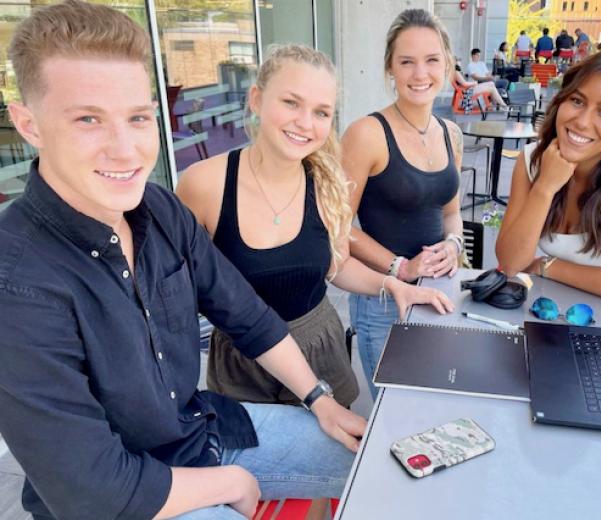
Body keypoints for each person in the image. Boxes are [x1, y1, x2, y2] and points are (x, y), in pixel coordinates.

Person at [0, 2, 366, 519]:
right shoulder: (16, 282)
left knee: (377, 460)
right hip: (128, 496)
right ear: (29, 124)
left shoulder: (160, 209)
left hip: (200, 432)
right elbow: (93, 491)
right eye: (88, 119)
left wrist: (320, 400)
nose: (126, 150)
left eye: (138, 118)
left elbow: (247, 315)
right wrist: (228, 482)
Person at [176, 44, 452, 409]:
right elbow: (176, 290)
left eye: (321, 112)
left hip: (318, 349)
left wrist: (390, 284)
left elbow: (336, 265)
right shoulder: (203, 185)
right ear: (256, 99)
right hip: (243, 365)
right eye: (291, 103)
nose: (305, 123)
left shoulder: (324, 182)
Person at [341, 9, 464, 399]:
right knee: (393, 416)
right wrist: (401, 266)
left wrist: (454, 245)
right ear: (390, 69)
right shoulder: (366, 134)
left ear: (446, 64)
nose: (419, 73)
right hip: (383, 297)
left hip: (438, 291)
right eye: (406, 62)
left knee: (432, 404)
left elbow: (451, 212)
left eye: (431, 60)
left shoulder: (451, 134)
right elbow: (336, 228)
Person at [496, 50, 601, 305]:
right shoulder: (532, 158)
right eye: (577, 101)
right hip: (544, 309)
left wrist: (546, 265)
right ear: (561, 102)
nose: (583, 122)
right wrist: (545, 187)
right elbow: (510, 262)